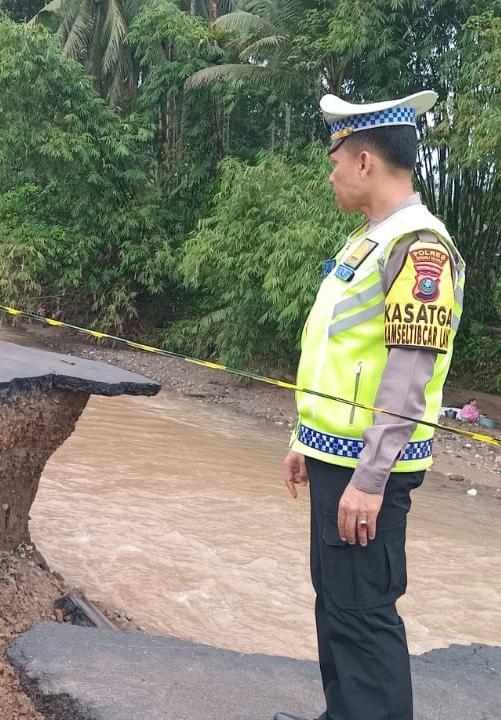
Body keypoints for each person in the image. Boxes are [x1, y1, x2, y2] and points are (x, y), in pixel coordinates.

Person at [275, 91, 465, 720]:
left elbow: (409, 376)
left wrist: (370, 479)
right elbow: (340, 354)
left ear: (364, 163)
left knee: (363, 616)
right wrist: (307, 439)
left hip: (368, 471)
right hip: (339, 457)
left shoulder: (420, 248)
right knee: (336, 601)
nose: (330, 175)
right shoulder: (368, 242)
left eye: (336, 161)